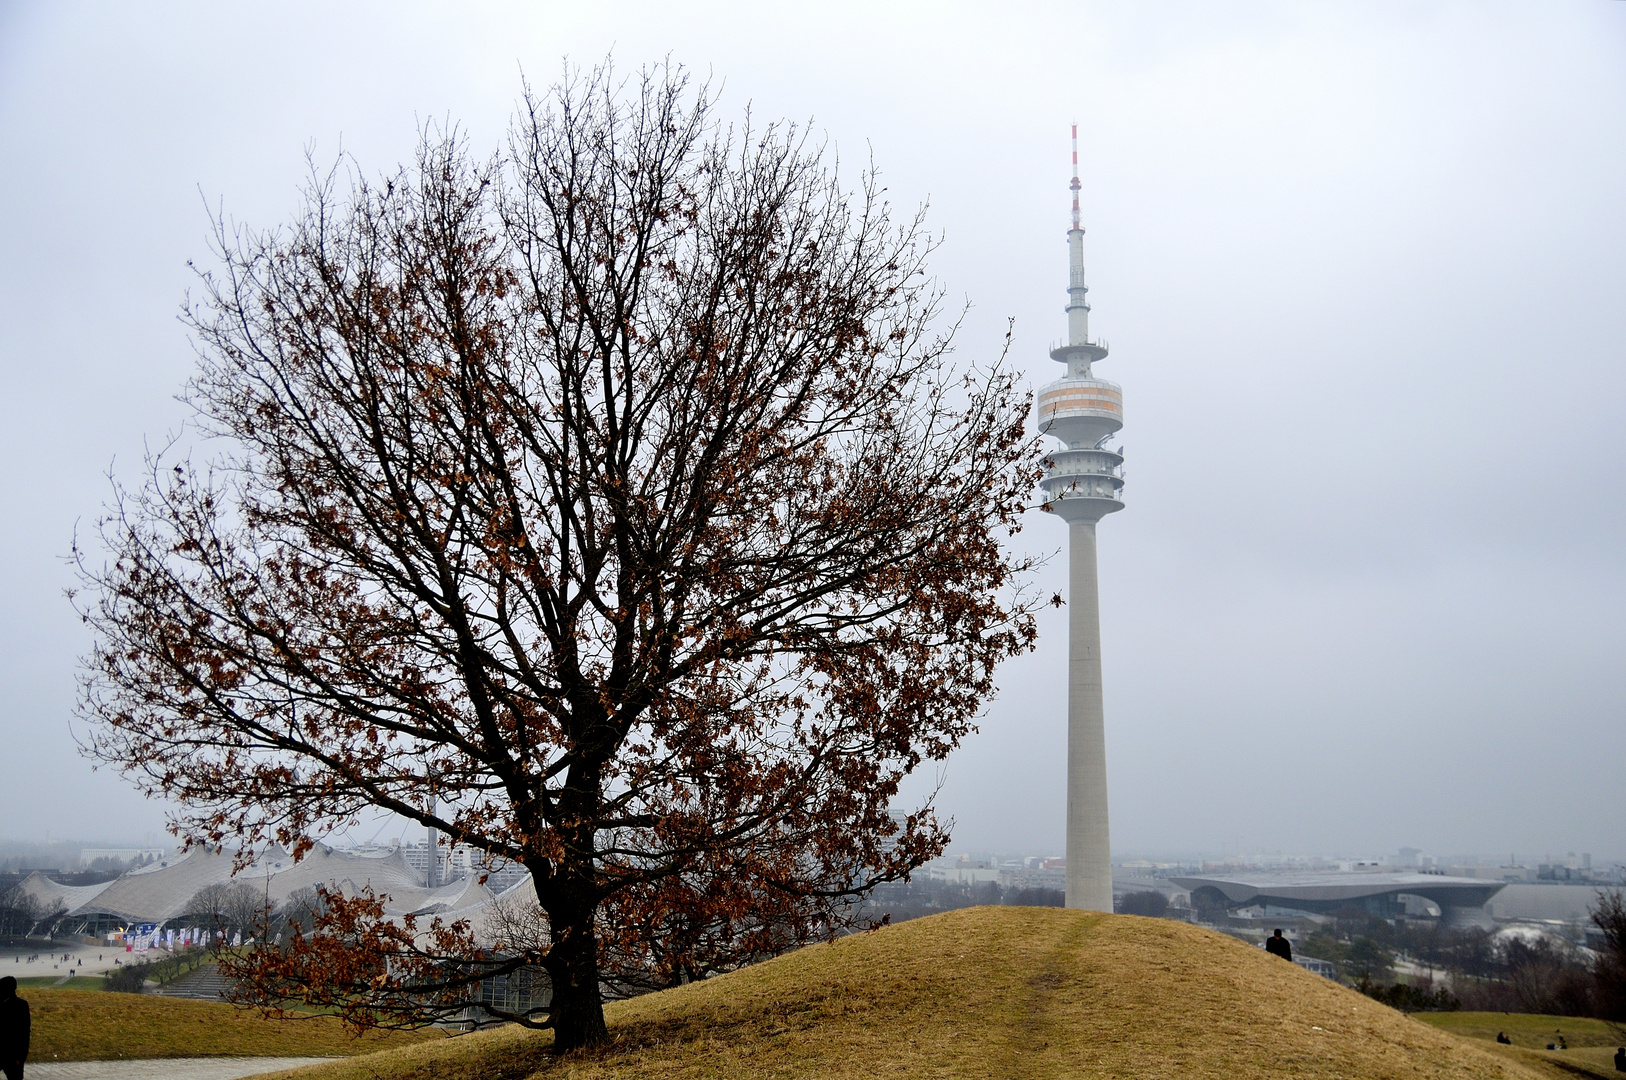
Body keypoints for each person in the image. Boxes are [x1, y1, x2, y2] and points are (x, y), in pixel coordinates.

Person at [0, 975, 29, 1080]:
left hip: (12, 1054)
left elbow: (24, 1033)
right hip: (14, 1055)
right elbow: (25, 1033)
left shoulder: (20, 1005)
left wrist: (20, 1057)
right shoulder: (22, 1005)